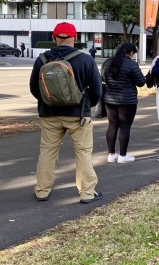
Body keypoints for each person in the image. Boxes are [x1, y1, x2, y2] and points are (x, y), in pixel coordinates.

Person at [29, 22, 103, 203]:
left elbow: (34, 88)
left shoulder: (42, 60)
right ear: (75, 38)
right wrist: (87, 105)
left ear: (54, 38)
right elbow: (96, 90)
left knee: (47, 151)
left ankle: (42, 190)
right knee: (83, 152)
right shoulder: (85, 60)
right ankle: (86, 192)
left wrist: (47, 101)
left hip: (49, 114)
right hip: (78, 115)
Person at [101, 43, 146, 164]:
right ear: (131, 53)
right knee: (125, 127)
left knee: (112, 125)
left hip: (110, 99)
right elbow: (141, 82)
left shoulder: (108, 63)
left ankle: (111, 154)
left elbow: (103, 78)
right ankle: (123, 155)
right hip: (127, 101)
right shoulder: (131, 64)